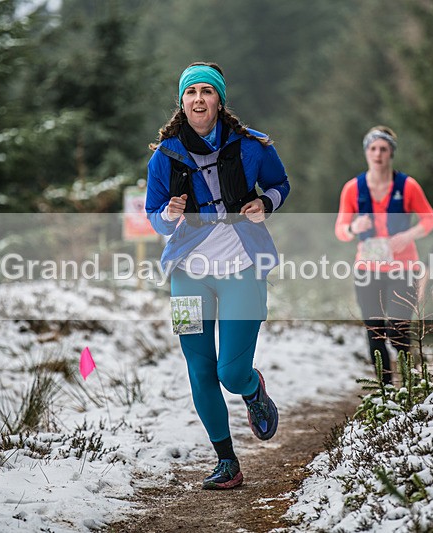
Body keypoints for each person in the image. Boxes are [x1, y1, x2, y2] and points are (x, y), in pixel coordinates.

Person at [144, 62, 290, 490]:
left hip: (242, 267)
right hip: (187, 276)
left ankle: (252, 388)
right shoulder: (164, 155)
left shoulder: (252, 146)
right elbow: (153, 214)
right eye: (191, 93)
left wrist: (266, 203)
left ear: (219, 100)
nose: (199, 99)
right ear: (182, 102)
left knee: (230, 371)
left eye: (206, 91)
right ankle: (227, 461)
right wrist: (168, 215)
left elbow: (280, 184)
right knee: (200, 370)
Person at [334, 126, 433, 385]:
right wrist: (354, 227)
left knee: (398, 329)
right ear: (366, 152)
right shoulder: (353, 188)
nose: (378, 154)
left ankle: (410, 385)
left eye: (383, 148)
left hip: (403, 268)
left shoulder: (408, 186)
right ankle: (386, 390)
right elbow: (340, 230)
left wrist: (408, 235)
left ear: (391, 152)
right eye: (373, 148)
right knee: (375, 333)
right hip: (367, 269)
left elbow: (429, 219)